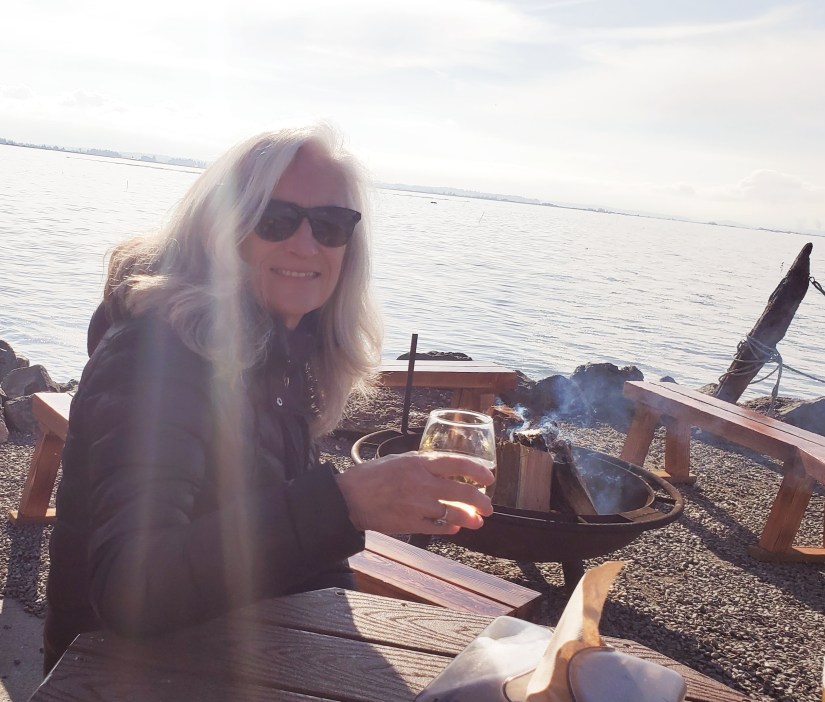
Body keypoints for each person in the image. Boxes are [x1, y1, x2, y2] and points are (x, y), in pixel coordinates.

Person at [43, 123, 494, 673]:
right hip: (113, 686)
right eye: (274, 219)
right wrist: (345, 503)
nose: (305, 244)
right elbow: (131, 590)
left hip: (233, 657)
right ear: (221, 230)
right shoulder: (159, 357)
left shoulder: (277, 351)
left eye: (330, 224)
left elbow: (293, 540)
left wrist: (347, 644)